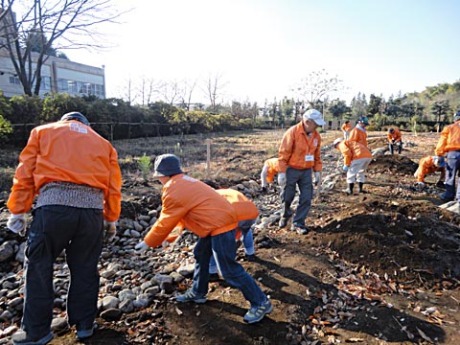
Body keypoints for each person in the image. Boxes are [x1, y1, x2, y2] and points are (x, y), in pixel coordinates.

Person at [6, 112, 122, 345]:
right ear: (86, 125)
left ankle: (36, 332)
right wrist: (111, 218)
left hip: (54, 209)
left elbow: (25, 173)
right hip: (91, 215)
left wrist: (18, 210)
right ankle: (85, 325)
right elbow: (113, 185)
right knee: (86, 267)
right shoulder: (104, 144)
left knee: (39, 266)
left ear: (64, 121)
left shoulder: (43, 132)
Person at [134, 154, 272, 324]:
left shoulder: (173, 188)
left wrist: (149, 241)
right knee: (201, 253)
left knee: (229, 270)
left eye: (158, 177)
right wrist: (166, 238)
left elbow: (167, 218)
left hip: (220, 226)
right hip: (217, 224)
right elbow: (179, 218)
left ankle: (261, 302)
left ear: (163, 175)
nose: (158, 180)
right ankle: (198, 292)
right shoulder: (184, 182)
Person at [278, 109, 324, 235]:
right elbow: (283, 154)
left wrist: (317, 171)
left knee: (306, 197)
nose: (317, 127)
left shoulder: (316, 136)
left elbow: (317, 155)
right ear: (308, 122)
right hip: (291, 169)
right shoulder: (292, 133)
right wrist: (282, 172)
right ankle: (285, 214)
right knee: (287, 196)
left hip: (306, 171)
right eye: (316, 124)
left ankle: (298, 222)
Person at [209, 188, 259, 278]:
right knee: (246, 230)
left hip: (234, 213)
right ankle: (250, 253)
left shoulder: (208, 198)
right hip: (251, 211)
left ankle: (212, 271)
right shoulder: (225, 192)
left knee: (213, 238)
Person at [435, 110, 460, 201]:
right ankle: (459, 199)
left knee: (450, 176)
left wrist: (439, 154)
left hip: (453, 154)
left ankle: (449, 196)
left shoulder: (449, 128)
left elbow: (442, 142)